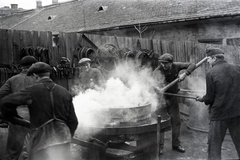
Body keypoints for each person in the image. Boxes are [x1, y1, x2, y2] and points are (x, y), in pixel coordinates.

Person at [0, 62, 78, 160]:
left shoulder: (31, 91)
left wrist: (14, 118)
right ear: (48, 74)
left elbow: (5, 102)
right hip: (63, 140)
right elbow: (73, 121)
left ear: (35, 76)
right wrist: (68, 135)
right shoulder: (65, 92)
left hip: (41, 142)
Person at [196, 48, 240, 160]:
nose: (207, 61)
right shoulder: (237, 68)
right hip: (236, 113)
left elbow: (210, 98)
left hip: (219, 115)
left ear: (214, 58)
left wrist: (202, 99)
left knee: (214, 147)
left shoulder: (211, 72)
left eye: (208, 59)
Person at [153, 53, 196, 154]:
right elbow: (153, 84)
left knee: (176, 122)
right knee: (161, 124)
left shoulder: (176, 66)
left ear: (171, 63)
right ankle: (159, 147)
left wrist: (185, 73)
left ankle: (176, 144)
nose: (163, 65)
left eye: (166, 64)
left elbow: (192, 64)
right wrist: (157, 88)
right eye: (162, 63)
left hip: (173, 98)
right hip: (161, 99)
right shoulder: (157, 71)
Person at [0, 55, 37, 160]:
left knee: (12, 153)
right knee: (37, 151)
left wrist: (6, 111)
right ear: (33, 66)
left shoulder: (12, 80)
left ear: (21, 67)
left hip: (18, 118)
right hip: (36, 118)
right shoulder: (39, 79)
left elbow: (1, 94)